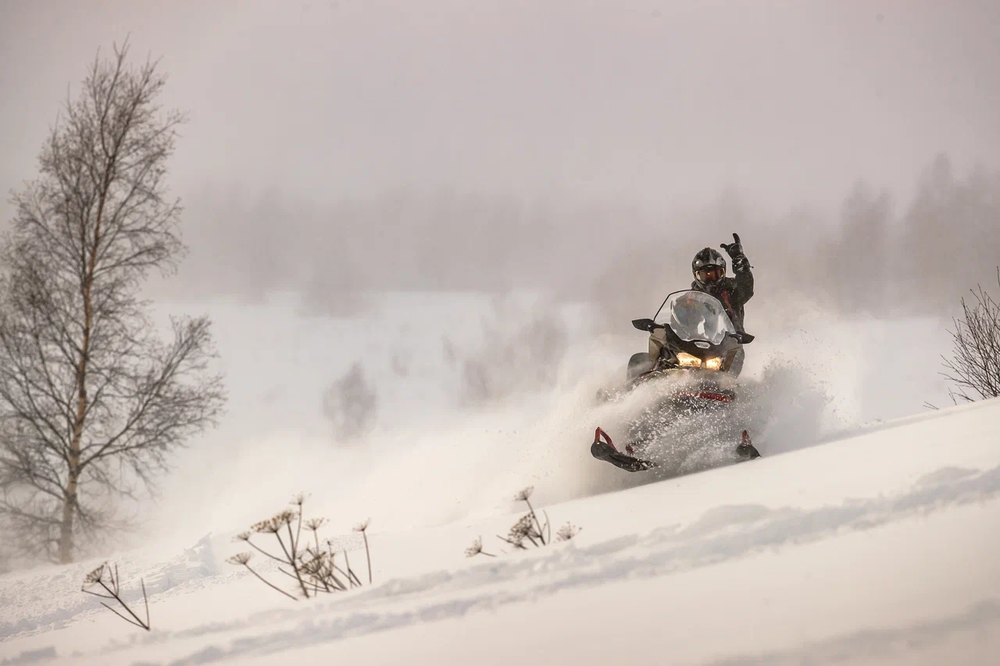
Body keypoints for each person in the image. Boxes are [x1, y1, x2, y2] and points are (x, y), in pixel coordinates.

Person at [647, 233, 754, 375]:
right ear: (697, 275)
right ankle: (654, 380)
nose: (711, 279)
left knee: (730, 374)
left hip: (730, 345)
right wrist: (665, 330)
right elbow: (679, 322)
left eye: (715, 274)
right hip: (698, 347)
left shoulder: (732, 292)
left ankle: (732, 391)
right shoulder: (689, 299)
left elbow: (746, 289)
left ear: (723, 273)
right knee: (670, 359)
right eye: (705, 275)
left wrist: (740, 261)